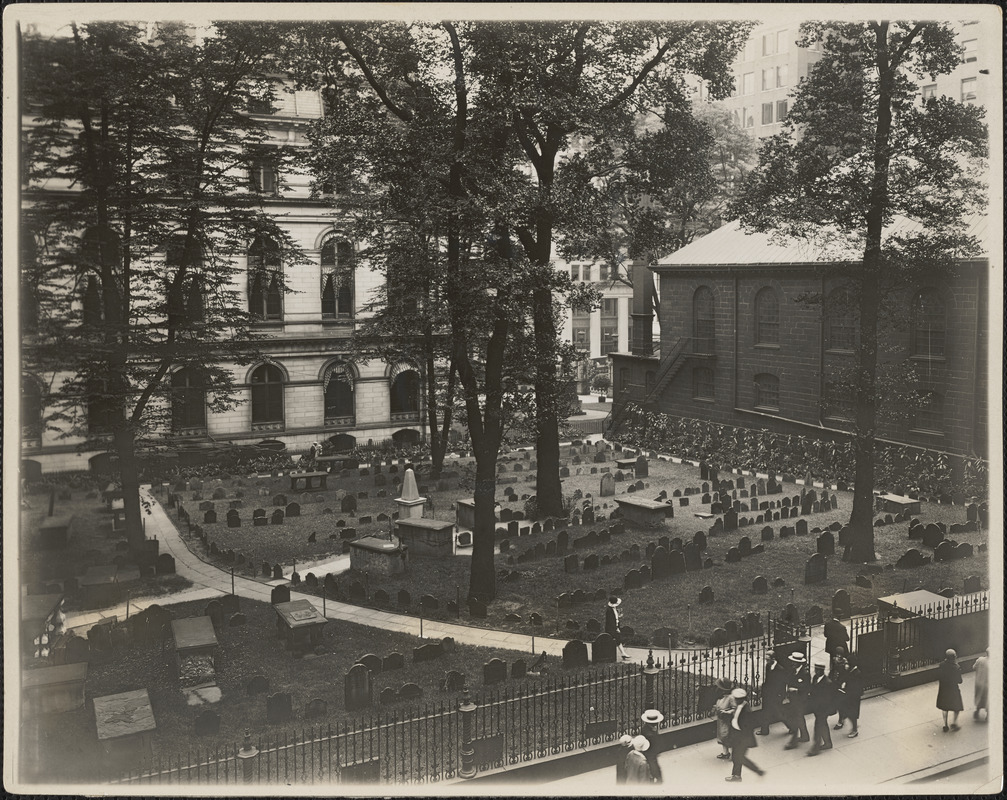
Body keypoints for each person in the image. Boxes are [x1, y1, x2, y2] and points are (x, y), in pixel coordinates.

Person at [725, 687, 765, 782]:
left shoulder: (746, 710)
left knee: (739, 757)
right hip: (737, 735)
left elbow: (748, 725)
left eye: (735, 698)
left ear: (740, 699)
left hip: (742, 738)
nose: (734, 700)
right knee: (737, 757)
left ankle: (756, 771)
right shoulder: (740, 706)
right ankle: (737, 775)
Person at [782, 651, 810, 749]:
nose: (792, 663)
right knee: (799, 718)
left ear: (799, 663)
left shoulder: (805, 673)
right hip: (793, 699)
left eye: (794, 662)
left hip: (800, 700)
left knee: (796, 719)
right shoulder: (793, 671)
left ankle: (793, 742)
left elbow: (807, 688)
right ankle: (805, 735)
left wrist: (796, 689)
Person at [806, 662, 836, 756]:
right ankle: (828, 743)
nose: (816, 671)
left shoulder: (827, 683)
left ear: (822, 671)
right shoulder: (815, 678)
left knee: (818, 726)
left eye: (818, 670)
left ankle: (816, 746)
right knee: (822, 725)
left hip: (823, 709)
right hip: (816, 707)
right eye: (815, 669)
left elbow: (828, 699)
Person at [757, 651, 788, 736]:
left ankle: (792, 726)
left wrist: (781, 695)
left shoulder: (780, 669)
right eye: (766, 659)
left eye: (768, 659)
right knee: (765, 712)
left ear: (773, 659)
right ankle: (764, 730)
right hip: (768, 693)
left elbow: (783, 684)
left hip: (776, 695)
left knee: (779, 713)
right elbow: (767, 680)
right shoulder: (768, 666)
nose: (766, 661)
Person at [836, 656, 863, 737]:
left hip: (853, 697)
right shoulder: (850, 671)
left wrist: (846, 688)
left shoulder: (856, 673)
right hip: (848, 695)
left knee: (852, 714)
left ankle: (855, 730)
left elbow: (856, 687)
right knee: (847, 711)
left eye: (847, 663)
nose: (846, 665)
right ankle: (844, 720)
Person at [937, 648, 963, 731]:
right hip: (953, 690)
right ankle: (954, 723)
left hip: (943, 689)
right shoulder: (956, 667)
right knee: (957, 707)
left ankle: (945, 725)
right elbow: (960, 681)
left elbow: (939, 676)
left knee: (945, 707)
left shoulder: (941, 665)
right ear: (954, 657)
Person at [713, 677, 736, 759]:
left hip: (727, 720)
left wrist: (728, 712)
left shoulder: (730, 698)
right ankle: (725, 752)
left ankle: (734, 753)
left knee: (727, 736)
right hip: (721, 720)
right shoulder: (721, 696)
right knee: (722, 736)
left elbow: (735, 708)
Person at [640, 709, 664, 784]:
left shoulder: (645, 728)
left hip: (649, 752)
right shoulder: (651, 733)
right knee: (653, 767)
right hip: (651, 753)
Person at [605, 596, 630, 661]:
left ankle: (623, 653)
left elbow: (615, 617)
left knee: (617, 639)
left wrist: (619, 616)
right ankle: (622, 653)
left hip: (614, 627)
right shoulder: (609, 611)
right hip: (611, 628)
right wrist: (616, 628)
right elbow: (611, 621)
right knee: (617, 639)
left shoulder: (614, 608)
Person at [973, 649, 989, 721]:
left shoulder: (980, 659)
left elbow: (974, 667)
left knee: (979, 697)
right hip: (988, 685)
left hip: (979, 683)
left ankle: (977, 711)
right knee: (988, 699)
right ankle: (988, 715)